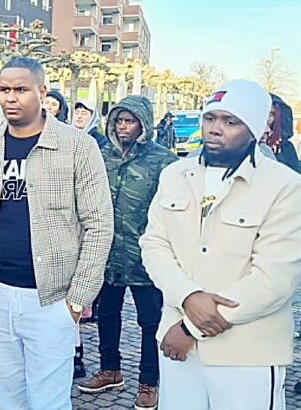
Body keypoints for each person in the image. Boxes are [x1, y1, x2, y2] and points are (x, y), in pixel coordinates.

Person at [140, 80, 301, 410]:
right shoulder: (174, 174)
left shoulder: (284, 186)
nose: (215, 129)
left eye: (231, 121)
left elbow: (274, 279)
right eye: (210, 118)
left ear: (254, 129)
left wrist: (190, 328)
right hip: (177, 346)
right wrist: (188, 296)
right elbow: (154, 245)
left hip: (247, 352)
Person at [0, 57, 114, 410]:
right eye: (4, 90)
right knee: (7, 396)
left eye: (21, 89)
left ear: (42, 92)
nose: (11, 98)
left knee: (49, 400)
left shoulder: (78, 146)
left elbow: (98, 223)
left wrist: (78, 299)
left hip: (52, 298)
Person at [77, 96, 177, 410]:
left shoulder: (164, 161)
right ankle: (110, 369)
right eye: (119, 121)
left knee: (151, 322)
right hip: (107, 254)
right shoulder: (100, 155)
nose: (123, 127)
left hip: (146, 256)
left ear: (143, 124)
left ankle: (149, 382)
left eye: (129, 121)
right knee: (107, 315)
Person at [261, 94, 301, 173]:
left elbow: (296, 175)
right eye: (264, 112)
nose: (267, 118)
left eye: (271, 114)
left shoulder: (285, 147)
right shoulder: (244, 144)